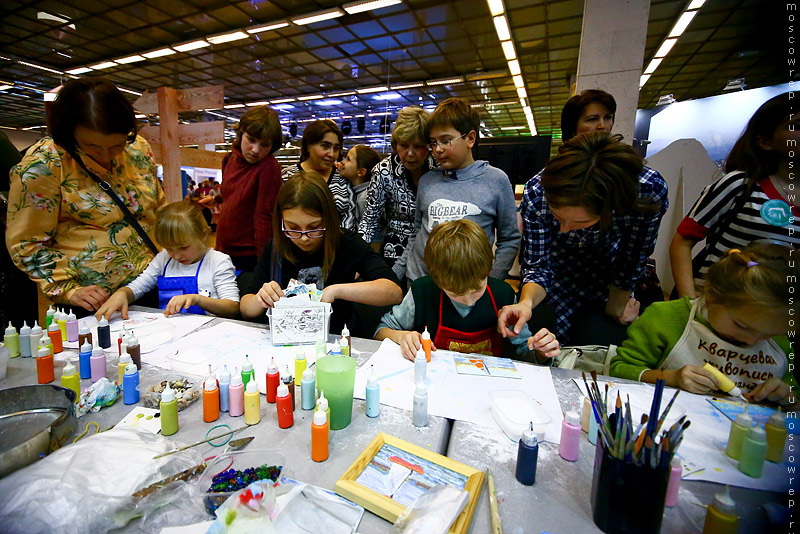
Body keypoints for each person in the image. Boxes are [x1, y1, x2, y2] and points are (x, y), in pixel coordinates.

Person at [6, 77, 166, 313]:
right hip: (93, 300)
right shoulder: (45, 165)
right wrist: (68, 289)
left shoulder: (138, 149)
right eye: (92, 146)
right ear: (69, 132)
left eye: (116, 145)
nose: (105, 156)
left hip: (155, 281)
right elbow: (26, 243)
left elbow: (159, 207)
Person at [501, 132, 668, 346]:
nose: (564, 229)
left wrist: (618, 305)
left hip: (609, 269)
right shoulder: (537, 191)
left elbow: (633, 256)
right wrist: (526, 303)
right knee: (541, 332)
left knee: (599, 337)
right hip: (556, 270)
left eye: (579, 223)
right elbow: (538, 265)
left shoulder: (647, 190)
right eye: (557, 217)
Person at [610, 243, 796, 405]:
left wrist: (788, 397)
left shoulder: (779, 343)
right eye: (742, 325)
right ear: (711, 296)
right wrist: (671, 378)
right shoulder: (666, 318)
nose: (750, 340)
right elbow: (619, 370)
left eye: (767, 334)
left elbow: (794, 394)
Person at [669, 92, 799, 298]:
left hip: (772, 320)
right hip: (713, 307)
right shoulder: (740, 185)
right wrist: (689, 301)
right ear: (765, 141)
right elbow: (683, 241)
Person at [376, 219, 560, 363]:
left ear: (488, 269)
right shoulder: (422, 292)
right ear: (438, 281)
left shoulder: (503, 295)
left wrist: (540, 352)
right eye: (455, 293)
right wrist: (401, 336)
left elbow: (523, 354)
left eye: (477, 288)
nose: (468, 300)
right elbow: (380, 331)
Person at [239, 172, 403, 332]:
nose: (304, 238)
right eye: (293, 228)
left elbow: (393, 292)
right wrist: (260, 299)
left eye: (314, 227)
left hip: (337, 340)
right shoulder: (277, 247)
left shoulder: (347, 243)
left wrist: (337, 290)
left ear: (328, 219)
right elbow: (246, 308)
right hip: (288, 340)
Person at [392, 97, 520, 284]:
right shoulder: (427, 181)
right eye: (433, 143)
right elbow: (417, 232)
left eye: (445, 141)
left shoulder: (496, 180)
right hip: (419, 284)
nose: (437, 150)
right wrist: (394, 273)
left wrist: (492, 281)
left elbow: (509, 239)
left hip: (467, 290)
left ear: (470, 138)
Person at [95, 201, 239, 319]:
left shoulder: (218, 261)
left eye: (183, 247)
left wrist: (198, 299)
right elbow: (139, 286)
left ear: (203, 235)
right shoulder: (164, 258)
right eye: (169, 248)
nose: (176, 256)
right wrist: (123, 293)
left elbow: (232, 307)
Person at [358, 107, 435, 265]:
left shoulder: (439, 168)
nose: (410, 153)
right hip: (395, 251)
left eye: (418, 146)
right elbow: (369, 221)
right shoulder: (383, 171)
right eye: (404, 145)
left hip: (434, 251)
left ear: (429, 146)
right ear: (395, 144)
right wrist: (356, 258)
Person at [216, 106, 284, 272]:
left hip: (249, 255)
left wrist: (264, 262)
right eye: (251, 140)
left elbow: (264, 216)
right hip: (224, 249)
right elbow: (227, 205)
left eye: (264, 145)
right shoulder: (228, 159)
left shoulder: (268, 167)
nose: (255, 150)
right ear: (241, 133)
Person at [281, 120, 356, 230]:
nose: (331, 154)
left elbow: (349, 217)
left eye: (336, 148)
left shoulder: (343, 179)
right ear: (308, 146)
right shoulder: (287, 176)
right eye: (325, 146)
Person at [337, 144, 381, 227]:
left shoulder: (365, 199)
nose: (342, 162)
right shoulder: (356, 190)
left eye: (348, 159)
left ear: (361, 172)